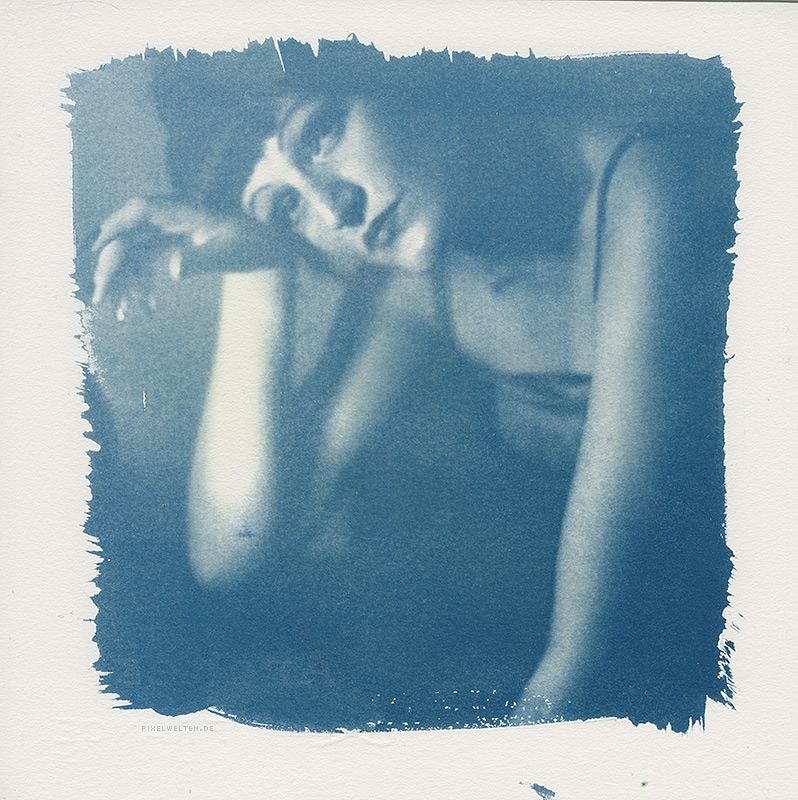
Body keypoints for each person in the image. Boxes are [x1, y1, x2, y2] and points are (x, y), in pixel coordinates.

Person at [82, 40, 736, 730]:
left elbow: (581, 653)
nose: (334, 211)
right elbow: (231, 550)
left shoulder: (644, 177)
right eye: (287, 208)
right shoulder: (416, 283)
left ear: (390, 70)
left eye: (321, 133)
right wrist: (261, 271)